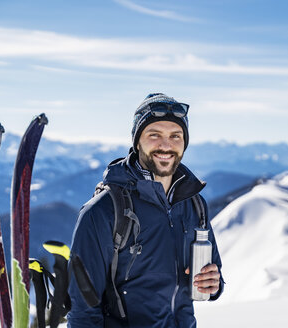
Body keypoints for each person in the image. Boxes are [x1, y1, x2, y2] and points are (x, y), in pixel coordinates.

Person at [68, 93, 224, 328]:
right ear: (137, 141)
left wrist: (214, 284)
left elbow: (213, 273)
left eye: (175, 136)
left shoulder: (195, 204)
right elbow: (83, 312)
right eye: (154, 135)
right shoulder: (103, 211)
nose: (166, 145)